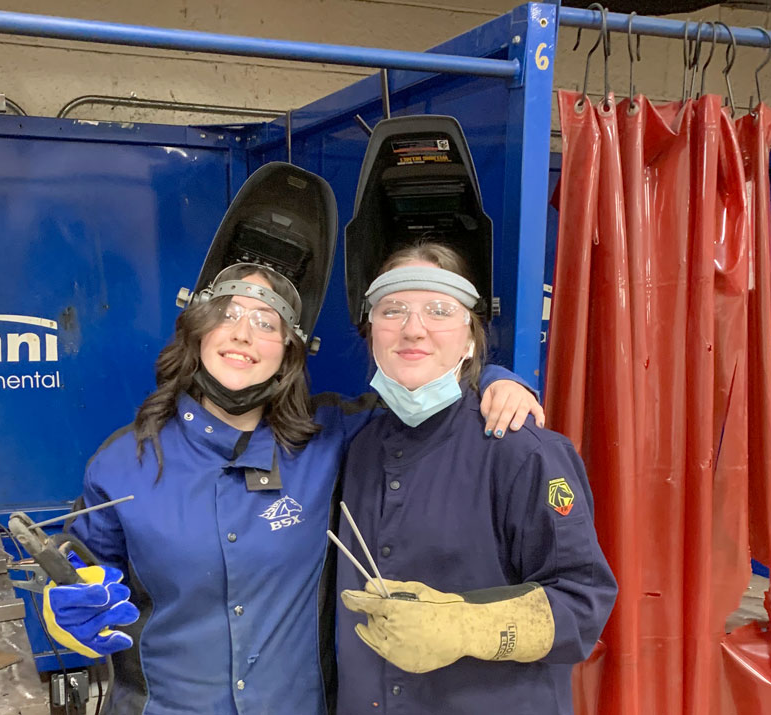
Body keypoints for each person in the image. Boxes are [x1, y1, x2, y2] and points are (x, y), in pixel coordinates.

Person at [43, 247, 542, 711]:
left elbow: (422, 389)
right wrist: (62, 612)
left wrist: (495, 378)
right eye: (228, 315)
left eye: (266, 323)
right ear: (198, 332)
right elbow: (76, 563)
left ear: (289, 351)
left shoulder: (330, 439)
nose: (242, 333)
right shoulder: (121, 462)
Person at [336, 243, 617, 715]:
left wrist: (468, 628)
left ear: (469, 338)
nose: (412, 328)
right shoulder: (358, 445)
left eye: (439, 310)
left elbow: (583, 602)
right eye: (393, 309)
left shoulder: (521, 449)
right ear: (372, 334)